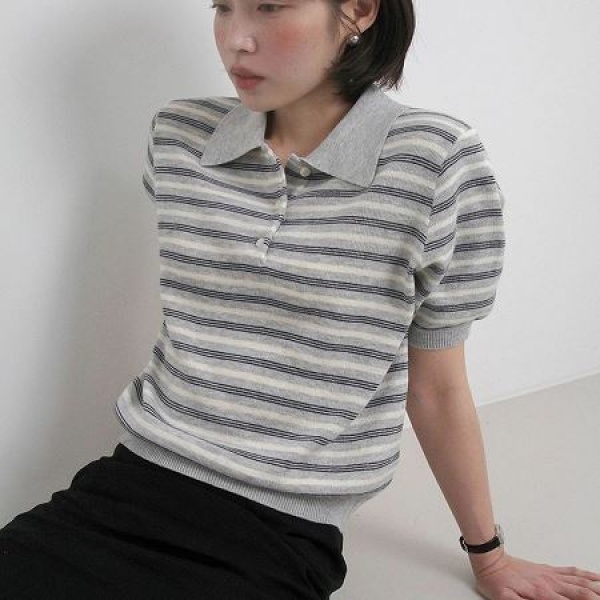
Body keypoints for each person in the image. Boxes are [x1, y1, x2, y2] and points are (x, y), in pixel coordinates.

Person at [1, 0, 599, 598]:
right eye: (223, 7)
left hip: (283, 528)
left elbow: (437, 389)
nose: (236, 39)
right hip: (131, 481)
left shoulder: (437, 164)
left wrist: (490, 557)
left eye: (268, 6)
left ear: (359, 10)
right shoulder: (180, 136)